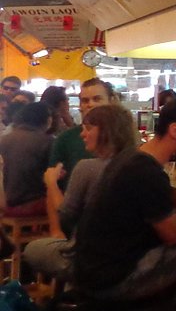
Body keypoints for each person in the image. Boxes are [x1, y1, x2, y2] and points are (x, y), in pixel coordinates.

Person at [72, 97, 176, 309]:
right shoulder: (146, 172)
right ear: (175, 130)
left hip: (89, 273)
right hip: (114, 281)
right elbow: (175, 236)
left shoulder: (129, 158)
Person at [27, 105, 139, 280]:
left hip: (89, 259)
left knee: (33, 249)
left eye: (88, 128)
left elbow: (66, 215)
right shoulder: (139, 166)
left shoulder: (87, 167)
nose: (82, 134)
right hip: (131, 259)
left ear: (106, 132)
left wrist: (51, 183)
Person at [49, 78, 116, 180]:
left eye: (97, 99)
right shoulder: (66, 139)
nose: (90, 104)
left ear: (110, 101)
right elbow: (53, 175)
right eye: (85, 101)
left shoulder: (121, 135)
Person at [0, 101, 55, 217]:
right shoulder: (48, 142)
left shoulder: (4, 139)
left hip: (4, 203)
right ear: (48, 119)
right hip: (31, 203)